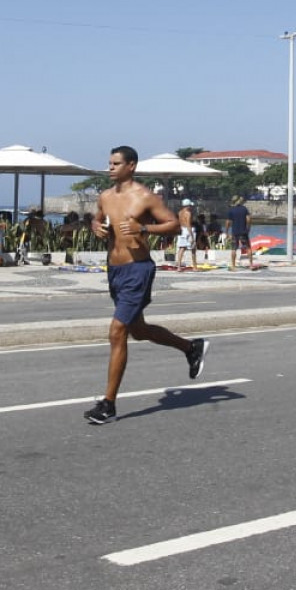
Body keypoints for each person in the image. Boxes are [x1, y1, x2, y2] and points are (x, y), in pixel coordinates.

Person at [84, 146, 208, 425]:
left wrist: (144, 229)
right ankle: (191, 348)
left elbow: (174, 225)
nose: (110, 168)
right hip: (114, 270)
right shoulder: (105, 196)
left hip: (138, 270)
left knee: (118, 331)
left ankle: (108, 404)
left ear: (132, 166)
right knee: (137, 330)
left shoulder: (145, 197)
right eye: (109, 163)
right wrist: (95, 225)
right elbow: (97, 218)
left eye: (116, 163)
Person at [226, 196, 251, 270]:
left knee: (234, 249)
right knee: (248, 248)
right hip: (243, 232)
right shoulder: (244, 209)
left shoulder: (231, 210)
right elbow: (249, 219)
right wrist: (248, 228)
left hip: (235, 232)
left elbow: (228, 222)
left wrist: (227, 232)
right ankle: (251, 264)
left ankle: (233, 266)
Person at [174, 199, 197, 271]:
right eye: (190, 205)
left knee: (181, 248)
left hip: (181, 230)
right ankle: (194, 267)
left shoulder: (180, 213)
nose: (190, 207)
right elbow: (188, 224)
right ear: (187, 205)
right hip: (187, 230)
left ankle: (179, 267)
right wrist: (192, 236)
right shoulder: (188, 213)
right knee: (193, 249)